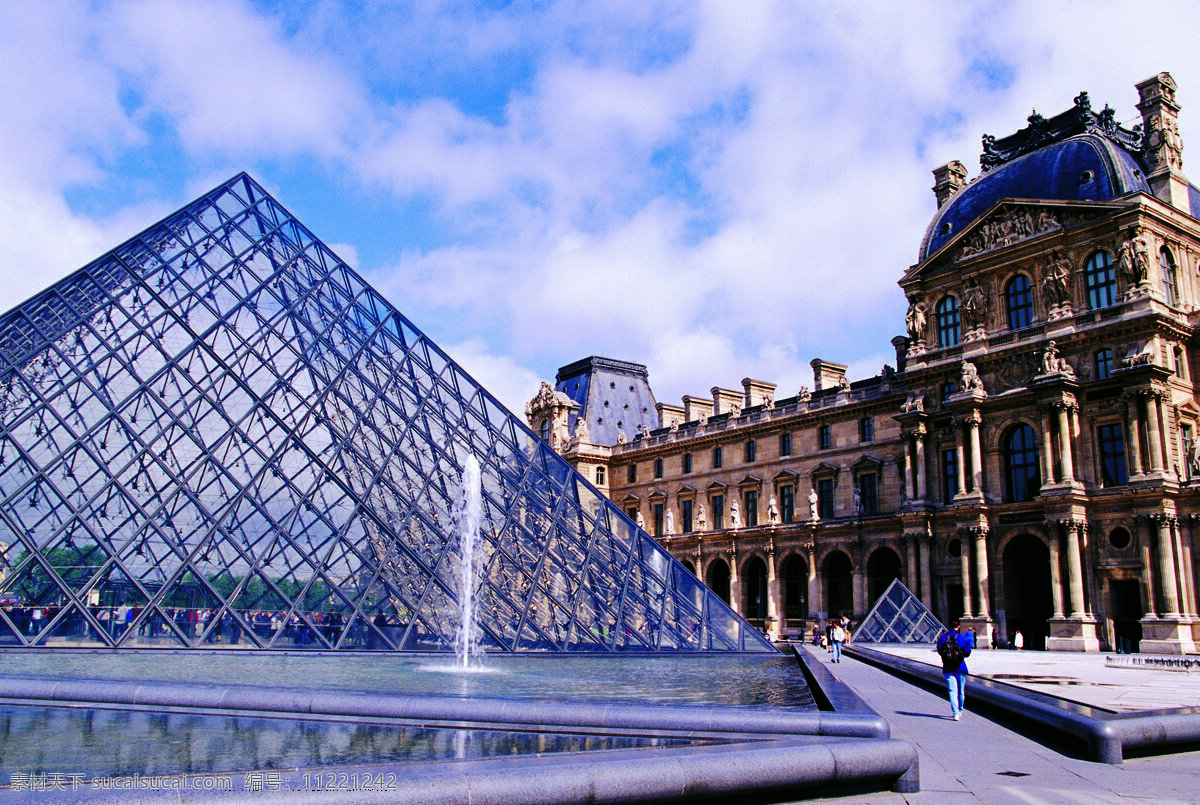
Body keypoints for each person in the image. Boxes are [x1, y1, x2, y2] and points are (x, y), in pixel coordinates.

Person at [937, 620, 974, 720]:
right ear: (958, 627)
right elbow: (967, 652)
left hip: (948, 667)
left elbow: (940, 651)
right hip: (960, 667)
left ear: (949, 626)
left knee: (952, 691)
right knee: (961, 691)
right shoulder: (962, 637)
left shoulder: (943, 637)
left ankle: (955, 713)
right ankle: (960, 710)